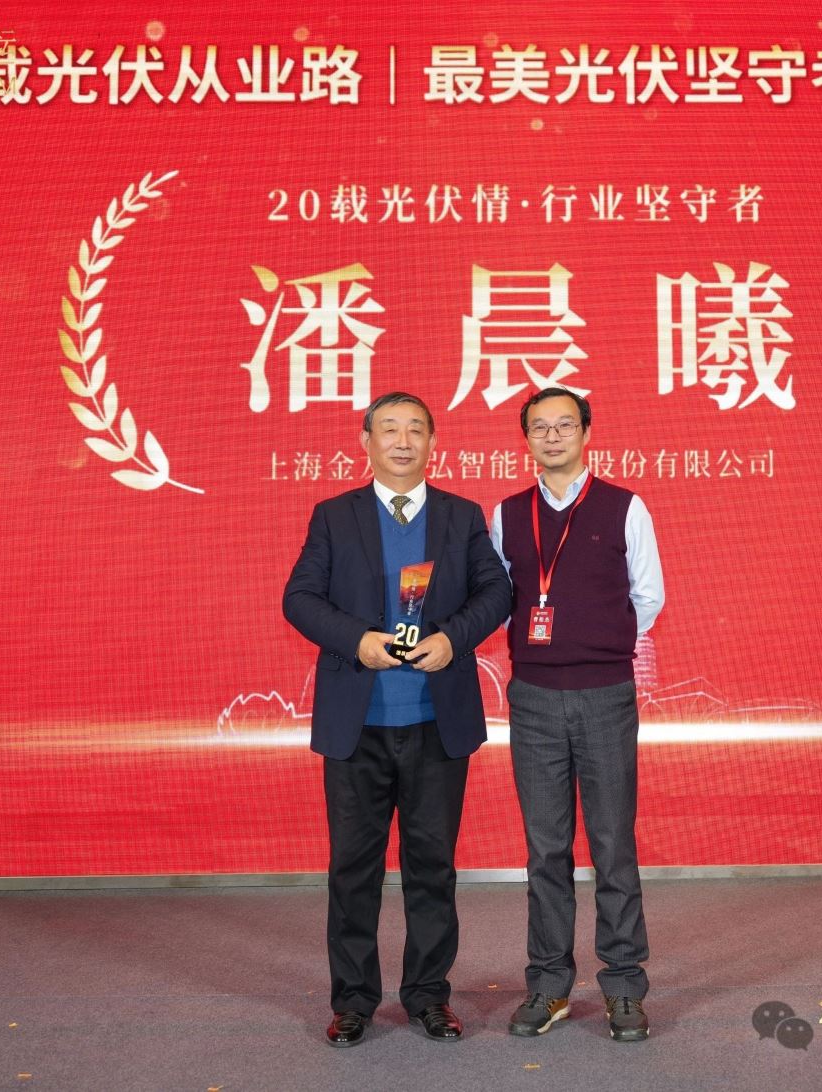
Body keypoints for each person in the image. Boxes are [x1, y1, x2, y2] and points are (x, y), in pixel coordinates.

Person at [283, 391, 511, 1047]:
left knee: (431, 866)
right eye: (389, 429)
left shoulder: (462, 515)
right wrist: (357, 640)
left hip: (437, 722)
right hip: (357, 724)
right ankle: (354, 1000)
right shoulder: (334, 515)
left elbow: (496, 591)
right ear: (366, 441)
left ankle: (428, 997)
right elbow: (299, 598)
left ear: (433, 442)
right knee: (353, 869)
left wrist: (451, 638)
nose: (403, 441)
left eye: (415, 429)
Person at [490, 387, 665, 1043]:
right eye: (540, 427)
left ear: (587, 433)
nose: (553, 436)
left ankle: (623, 985)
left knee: (613, 845)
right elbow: (499, 596)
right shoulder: (507, 514)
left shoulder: (625, 506)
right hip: (533, 697)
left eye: (565, 425)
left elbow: (648, 595)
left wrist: (598, 644)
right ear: (526, 439)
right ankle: (549, 984)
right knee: (546, 850)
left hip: (604, 695)